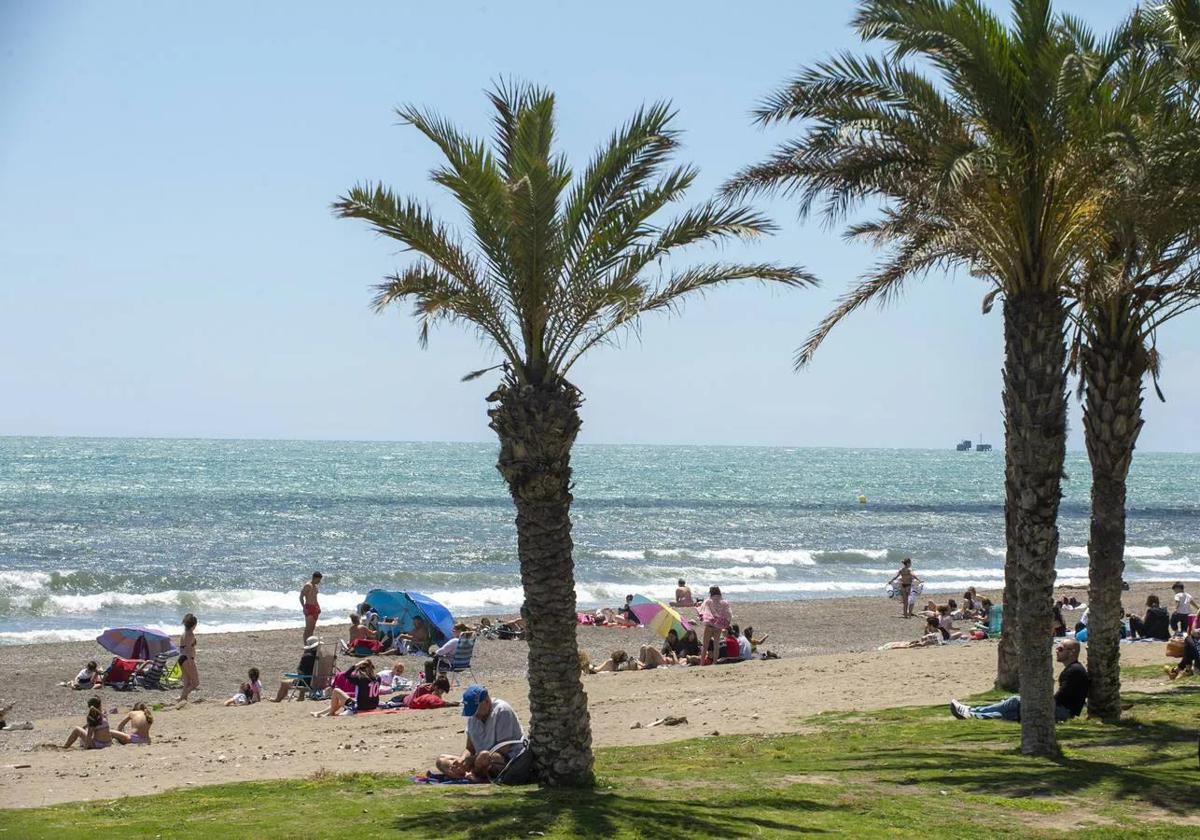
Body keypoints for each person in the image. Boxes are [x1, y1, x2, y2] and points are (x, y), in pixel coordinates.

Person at [950, 639, 1089, 721]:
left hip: (1062, 712)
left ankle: (974, 713)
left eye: (1060, 648)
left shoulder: (1074, 671)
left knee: (1016, 702)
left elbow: (1061, 698)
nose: (1057, 651)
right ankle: (975, 712)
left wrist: (1039, 701)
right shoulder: (1073, 669)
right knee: (1013, 705)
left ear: (1071, 652)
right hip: (1062, 710)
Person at [435, 685, 525, 782]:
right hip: (478, 760)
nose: (475, 714)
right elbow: (470, 748)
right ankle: (465, 774)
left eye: (475, 709)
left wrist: (471, 760)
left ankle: (474, 774)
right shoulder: (473, 716)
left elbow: (503, 750)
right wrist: (463, 759)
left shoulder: (502, 710)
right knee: (441, 760)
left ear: (486, 701)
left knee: (484, 756)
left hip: (505, 760)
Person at [314, 659, 380, 717]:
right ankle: (321, 713)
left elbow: (346, 674)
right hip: (373, 705)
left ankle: (330, 713)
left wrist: (356, 665)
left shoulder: (361, 679)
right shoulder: (378, 678)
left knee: (336, 691)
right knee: (341, 700)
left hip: (361, 707)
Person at [64, 697, 130, 749]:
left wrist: (85, 748)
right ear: (99, 706)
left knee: (76, 729)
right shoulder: (103, 715)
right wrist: (86, 726)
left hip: (99, 744)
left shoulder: (92, 717)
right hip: (108, 743)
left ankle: (65, 747)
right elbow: (99, 724)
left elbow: (89, 734)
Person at [271, 636, 322, 702]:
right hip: (321, 681)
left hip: (308, 683)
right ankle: (300, 697)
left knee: (284, 683)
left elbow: (299, 670)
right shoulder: (323, 656)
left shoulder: (307, 657)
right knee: (304, 676)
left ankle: (277, 699)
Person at [697, 586, 733, 664]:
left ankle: (702, 663)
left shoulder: (708, 601)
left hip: (709, 625)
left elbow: (702, 611)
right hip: (718, 626)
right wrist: (725, 623)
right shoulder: (724, 602)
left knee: (705, 646)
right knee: (716, 646)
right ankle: (715, 663)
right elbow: (728, 614)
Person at [177, 613, 199, 702]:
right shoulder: (190, 634)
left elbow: (183, 648)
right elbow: (188, 648)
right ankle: (181, 698)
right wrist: (190, 661)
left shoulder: (184, 633)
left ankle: (183, 701)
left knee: (187, 683)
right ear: (194, 624)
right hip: (187, 658)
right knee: (195, 683)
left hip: (182, 658)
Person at [300, 571, 322, 642]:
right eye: (318, 580)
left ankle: (310, 644)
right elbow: (301, 597)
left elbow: (315, 598)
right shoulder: (308, 585)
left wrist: (318, 607)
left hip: (315, 607)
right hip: (309, 607)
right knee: (308, 628)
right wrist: (304, 608)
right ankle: (306, 644)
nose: (319, 582)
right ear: (314, 578)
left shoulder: (315, 586)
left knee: (312, 628)